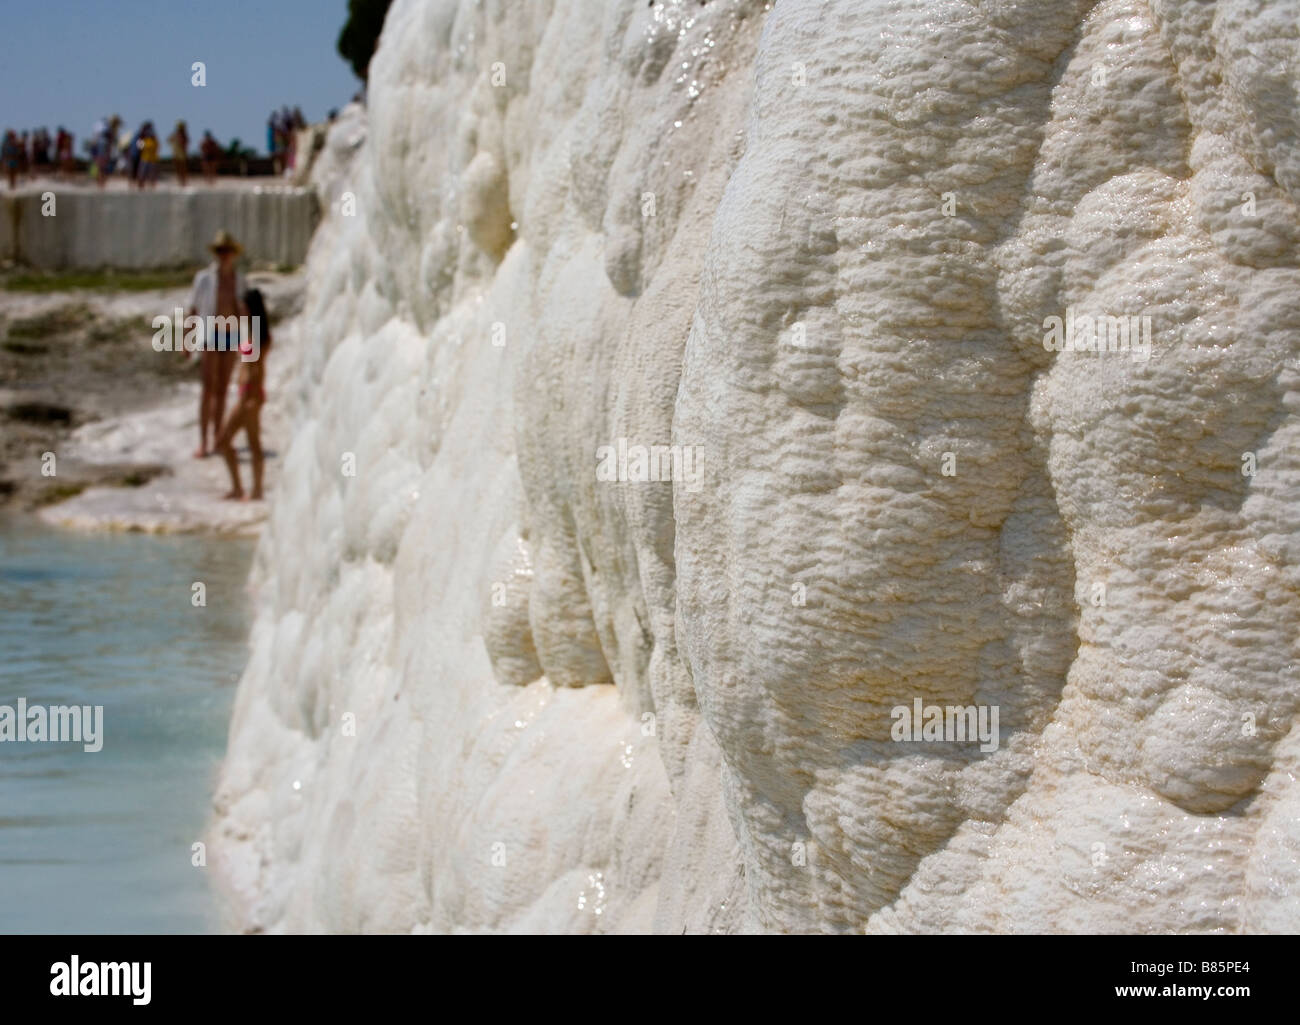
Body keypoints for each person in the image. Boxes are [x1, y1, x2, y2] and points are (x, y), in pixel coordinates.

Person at [186, 231, 248, 457]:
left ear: (234, 254)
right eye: (221, 251)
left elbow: (243, 311)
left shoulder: (239, 279)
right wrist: (187, 339)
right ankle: (203, 441)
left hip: (230, 337)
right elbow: (193, 309)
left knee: (222, 390)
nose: (224, 255)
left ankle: (217, 437)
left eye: (227, 251)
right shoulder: (204, 279)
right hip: (209, 334)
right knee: (208, 389)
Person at [215, 288, 272, 500]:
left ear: (250, 308)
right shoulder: (252, 332)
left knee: (247, 443)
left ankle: (254, 490)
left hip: (251, 396)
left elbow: (256, 368)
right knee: (227, 441)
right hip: (246, 394)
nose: (240, 308)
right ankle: (241, 488)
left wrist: (252, 396)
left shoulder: (259, 336)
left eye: (243, 306)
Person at [136, 123, 159, 189]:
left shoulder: (153, 139)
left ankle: (152, 186)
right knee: (142, 174)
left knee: (152, 174)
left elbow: (157, 146)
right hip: (145, 159)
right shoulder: (143, 138)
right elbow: (139, 147)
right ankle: (141, 186)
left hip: (152, 159)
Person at [169, 120, 189, 186]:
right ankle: (181, 181)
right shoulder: (177, 134)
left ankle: (183, 181)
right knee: (179, 168)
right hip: (177, 153)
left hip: (180, 153)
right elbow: (169, 140)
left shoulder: (183, 135)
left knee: (182, 168)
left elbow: (186, 143)